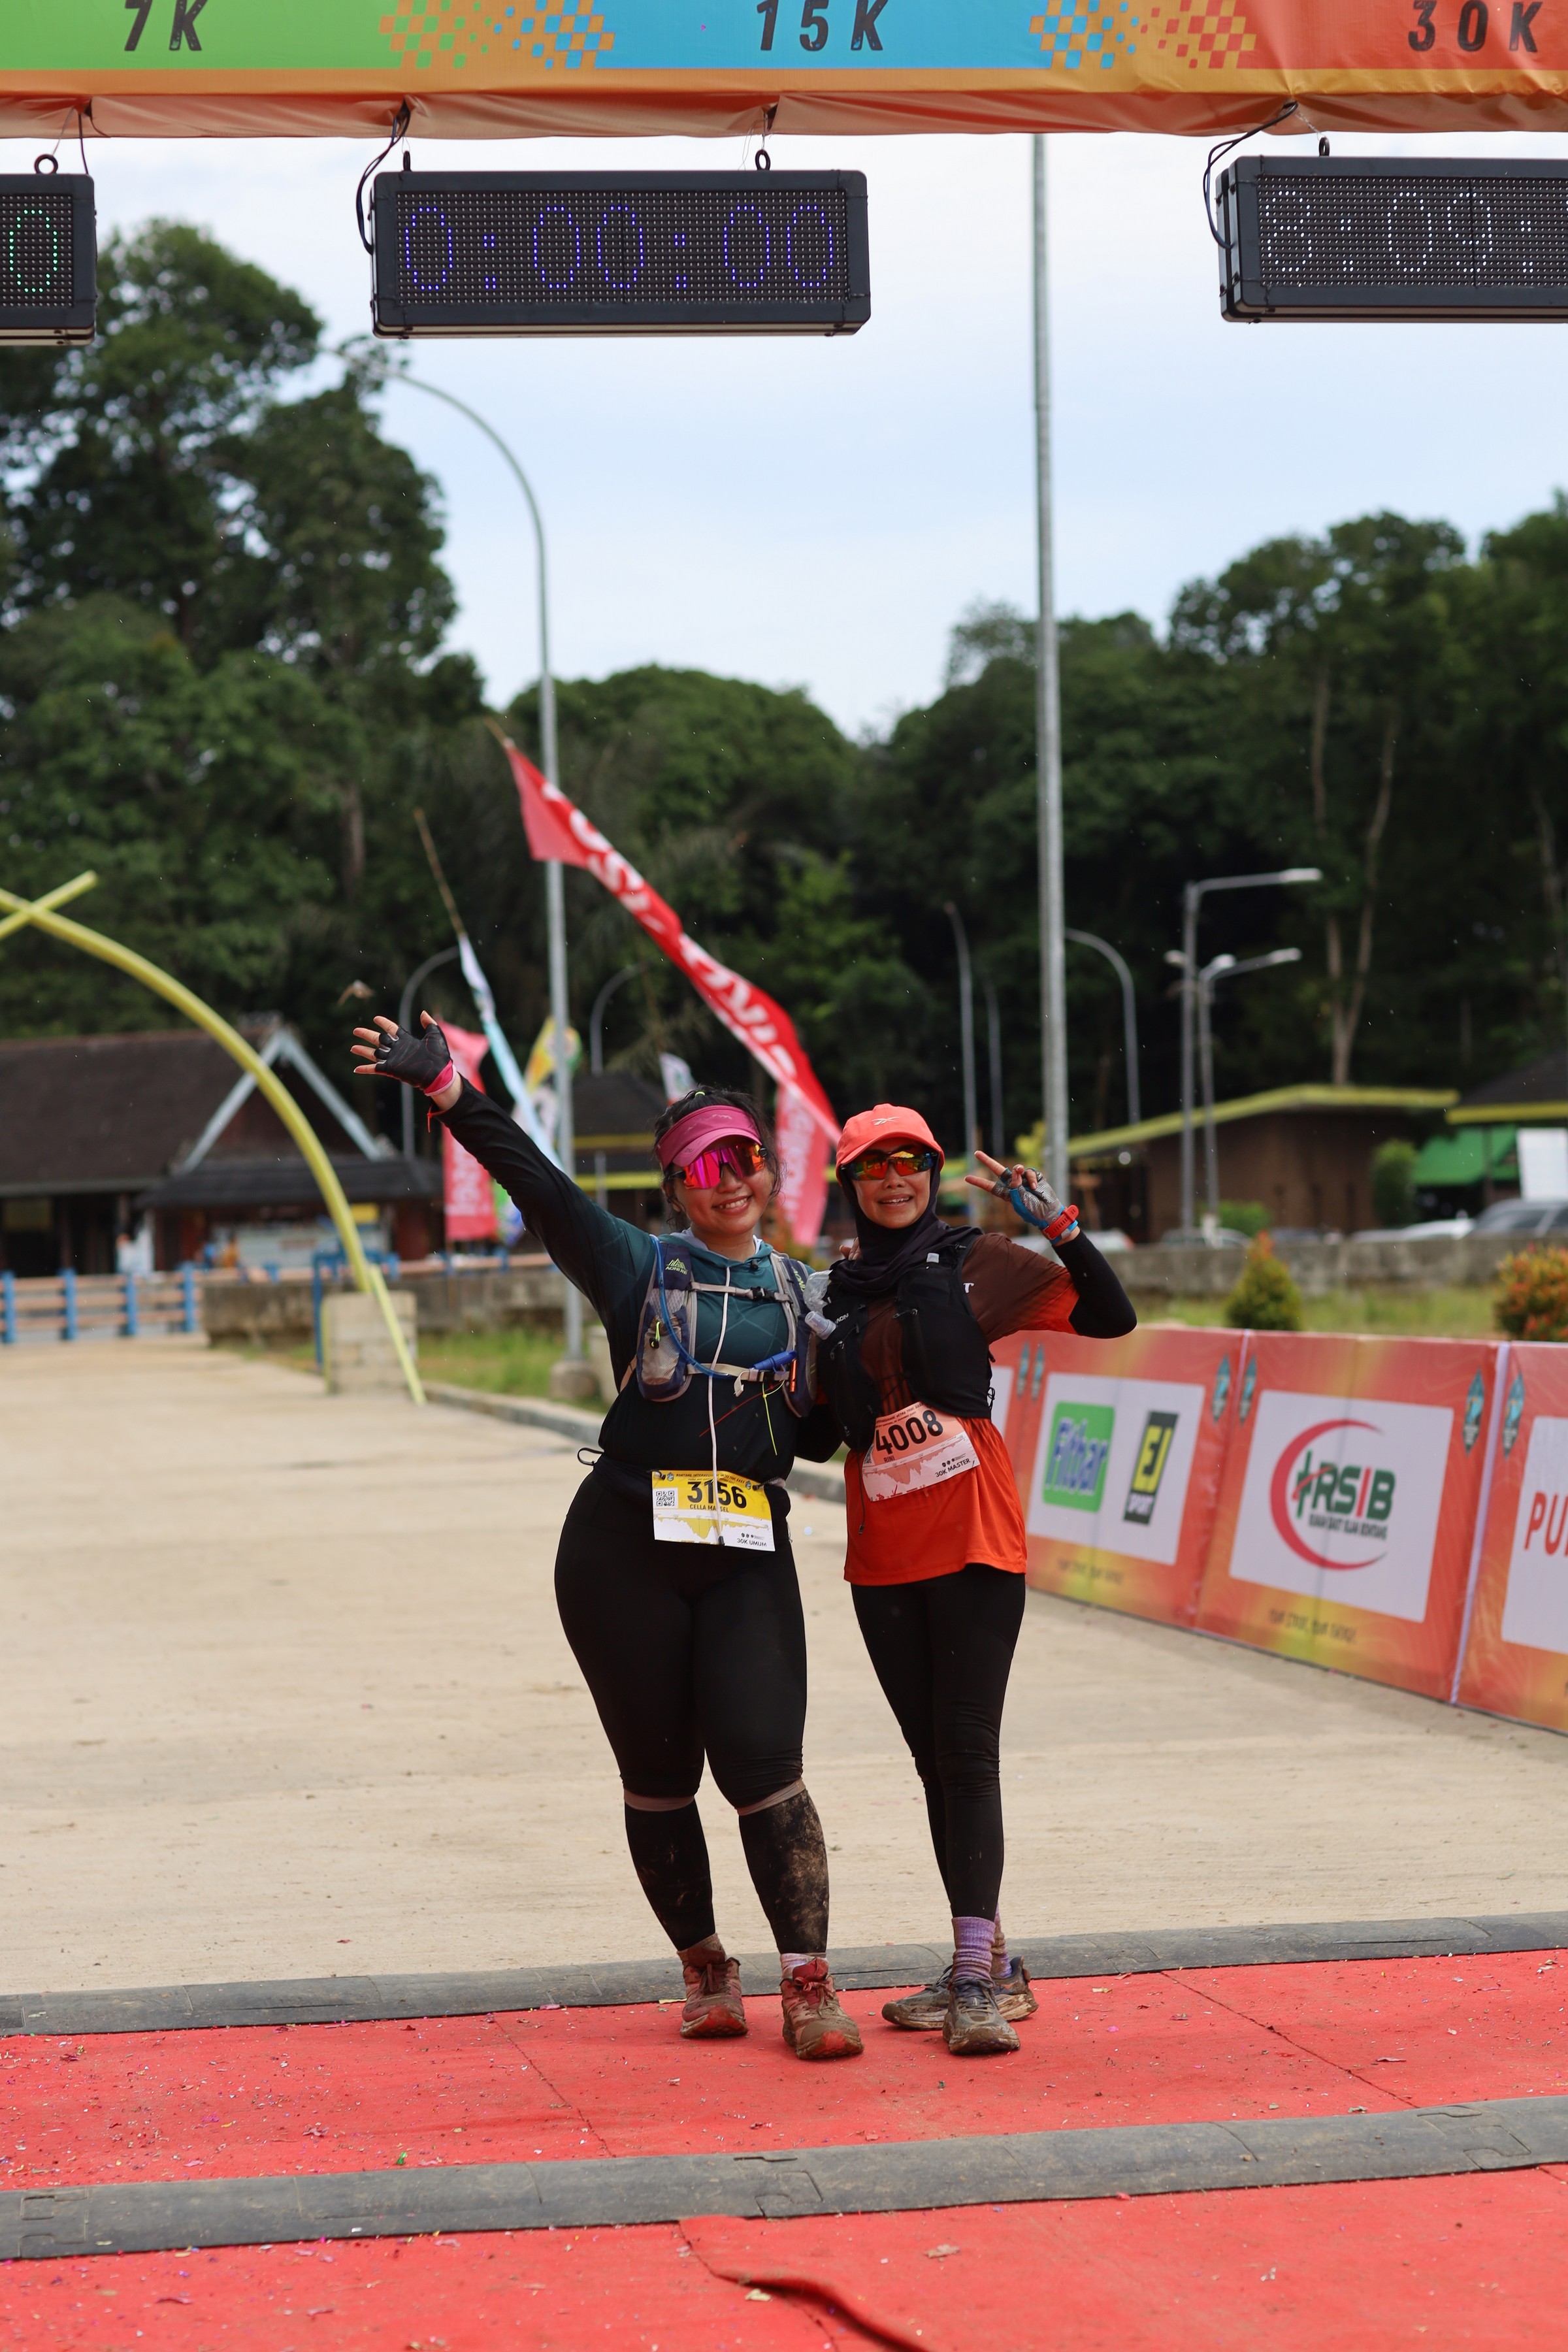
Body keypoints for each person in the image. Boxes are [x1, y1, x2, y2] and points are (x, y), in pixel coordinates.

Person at [351, 1011, 862, 2062]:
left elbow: (815, 1437)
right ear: (675, 1187)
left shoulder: (807, 1293)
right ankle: (705, 1967)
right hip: (623, 1555)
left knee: (768, 1766)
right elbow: (537, 1183)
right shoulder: (635, 1265)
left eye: (745, 1159)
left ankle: (809, 1983)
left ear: (769, 1171)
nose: (730, 1180)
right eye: (705, 1166)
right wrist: (449, 1088)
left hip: (744, 1559)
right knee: (659, 1775)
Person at [812, 1104, 1136, 2058]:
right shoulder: (830, 1295)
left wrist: (1058, 1225)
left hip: (974, 1541)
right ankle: (987, 1960)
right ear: (850, 1184)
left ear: (933, 1170)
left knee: (967, 1753)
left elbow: (1111, 1319)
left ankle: (974, 1981)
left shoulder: (975, 1264)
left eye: (910, 1161)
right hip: (882, 1557)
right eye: (873, 1166)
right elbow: (815, 1435)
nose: (894, 1178)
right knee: (933, 1763)